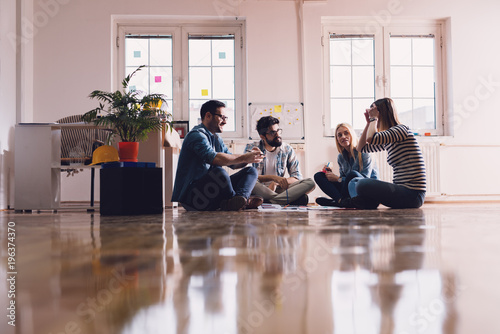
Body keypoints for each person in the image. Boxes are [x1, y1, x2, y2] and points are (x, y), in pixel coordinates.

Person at [171, 100, 264, 211]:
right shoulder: (196, 136)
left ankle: (240, 200)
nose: (225, 122)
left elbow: (233, 164)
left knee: (251, 171)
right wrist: (244, 157)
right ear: (208, 115)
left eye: (226, 118)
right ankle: (238, 201)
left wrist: (250, 158)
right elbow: (215, 158)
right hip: (193, 198)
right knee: (219, 173)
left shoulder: (216, 138)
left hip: (210, 193)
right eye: (222, 117)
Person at [348, 97, 427, 209]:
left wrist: (373, 119)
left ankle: (350, 202)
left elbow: (371, 138)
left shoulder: (400, 130)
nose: (372, 117)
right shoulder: (388, 138)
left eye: (374, 113)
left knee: (361, 184)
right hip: (402, 191)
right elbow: (361, 148)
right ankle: (358, 203)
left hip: (413, 195)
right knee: (355, 181)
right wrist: (368, 123)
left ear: (382, 113)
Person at [244, 116, 315, 205]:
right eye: (273, 133)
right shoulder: (252, 148)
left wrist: (276, 183)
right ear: (262, 136)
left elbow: (296, 177)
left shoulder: (287, 149)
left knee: (310, 182)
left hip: (279, 188)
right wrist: (273, 178)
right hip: (259, 188)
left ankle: (269, 201)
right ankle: (284, 199)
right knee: (251, 183)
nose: (278, 135)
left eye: (278, 131)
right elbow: (248, 175)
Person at [314, 122, 378, 206]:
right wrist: (331, 175)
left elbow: (365, 179)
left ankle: (337, 202)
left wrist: (338, 179)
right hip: (349, 191)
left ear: (352, 134)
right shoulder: (341, 157)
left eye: (346, 133)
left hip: (366, 191)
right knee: (319, 175)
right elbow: (344, 181)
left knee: (353, 174)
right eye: (339, 135)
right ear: (337, 139)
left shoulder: (364, 151)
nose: (343, 137)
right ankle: (341, 201)